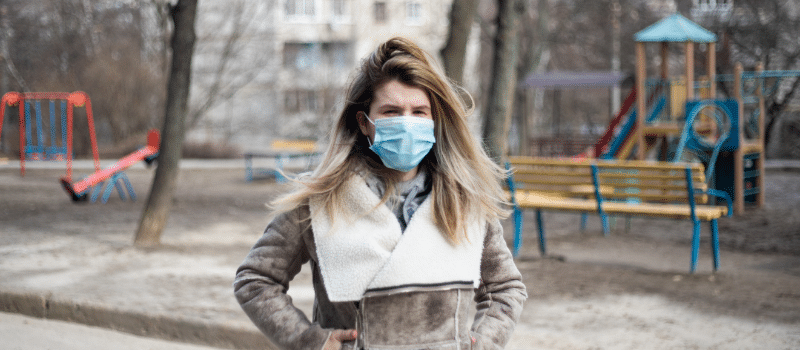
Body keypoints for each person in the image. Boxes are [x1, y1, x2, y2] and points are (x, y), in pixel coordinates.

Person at [234, 37, 527, 350]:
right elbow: (256, 280)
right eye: (391, 111)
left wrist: (483, 343)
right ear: (364, 122)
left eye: (419, 111)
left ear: (434, 120)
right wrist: (310, 341)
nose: (406, 122)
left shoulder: (463, 199)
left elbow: (505, 288)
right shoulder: (322, 200)